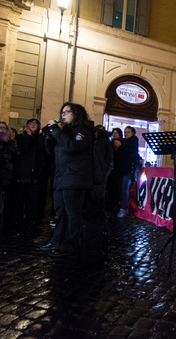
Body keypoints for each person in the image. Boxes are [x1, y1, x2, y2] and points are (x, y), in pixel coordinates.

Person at [41, 102, 94, 256]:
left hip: (75, 179)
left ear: (76, 114)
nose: (62, 115)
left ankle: (70, 245)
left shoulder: (83, 131)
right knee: (61, 213)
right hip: (61, 178)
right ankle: (57, 241)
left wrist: (57, 131)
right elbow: (52, 152)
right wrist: (48, 138)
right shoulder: (65, 132)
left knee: (73, 214)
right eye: (62, 112)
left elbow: (73, 147)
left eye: (66, 112)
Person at [16, 118, 50, 226]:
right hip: (24, 173)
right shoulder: (22, 137)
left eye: (35, 123)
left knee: (34, 198)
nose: (33, 125)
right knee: (21, 197)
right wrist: (29, 136)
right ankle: (19, 217)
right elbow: (23, 148)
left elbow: (42, 150)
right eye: (31, 123)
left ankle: (33, 217)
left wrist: (39, 136)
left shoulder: (40, 138)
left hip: (37, 173)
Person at [114, 126, 139, 218]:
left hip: (128, 170)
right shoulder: (124, 142)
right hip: (121, 169)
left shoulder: (132, 141)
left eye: (128, 132)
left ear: (132, 133)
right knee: (121, 188)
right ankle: (121, 206)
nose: (126, 134)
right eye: (125, 132)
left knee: (124, 188)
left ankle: (123, 208)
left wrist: (120, 146)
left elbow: (130, 152)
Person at [93, 125, 114, 220]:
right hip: (99, 172)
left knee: (99, 196)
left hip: (100, 173)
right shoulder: (103, 141)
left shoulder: (102, 142)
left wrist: (105, 169)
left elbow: (107, 158)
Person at [107, 128, 123, 212]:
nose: (114, 134)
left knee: (116, 187)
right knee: (110, 187)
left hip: (117, 169)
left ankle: (115, 204)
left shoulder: (122, 143)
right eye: (113, 133)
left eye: (116, 133)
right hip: (111, 169)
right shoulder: (110, 143)